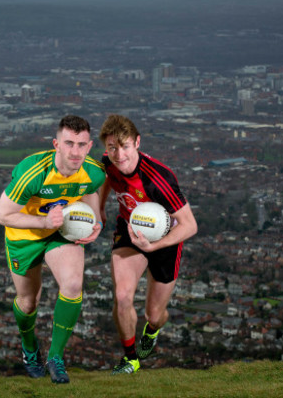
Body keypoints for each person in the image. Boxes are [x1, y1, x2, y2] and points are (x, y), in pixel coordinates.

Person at [0, 115, 105, 384]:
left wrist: (96, 220)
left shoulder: (93, 171)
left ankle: (55, 357)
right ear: (56, 144)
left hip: (61, 231)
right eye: (69, 143)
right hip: (24, 235)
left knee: (72, 285)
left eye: (81, 145)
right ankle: (30, 347)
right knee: (28, 301)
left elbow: (89, 191)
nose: (75, 151)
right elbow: (3, 215)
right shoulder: (33, 172)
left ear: (89, 146)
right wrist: (43, 221)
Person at [98, 114, 197, 375]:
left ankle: (151, 332)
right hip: (129, 230)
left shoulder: (158, 179)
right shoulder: (108, 163)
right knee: (121, 296)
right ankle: (131, 359)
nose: (119, 155)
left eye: (125, 146)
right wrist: (100, 208)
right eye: (112, 148)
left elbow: (190, 225)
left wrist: (155, 246)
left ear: (137, 143)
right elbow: (107, 179)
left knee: (154, 314)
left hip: (165, 239)